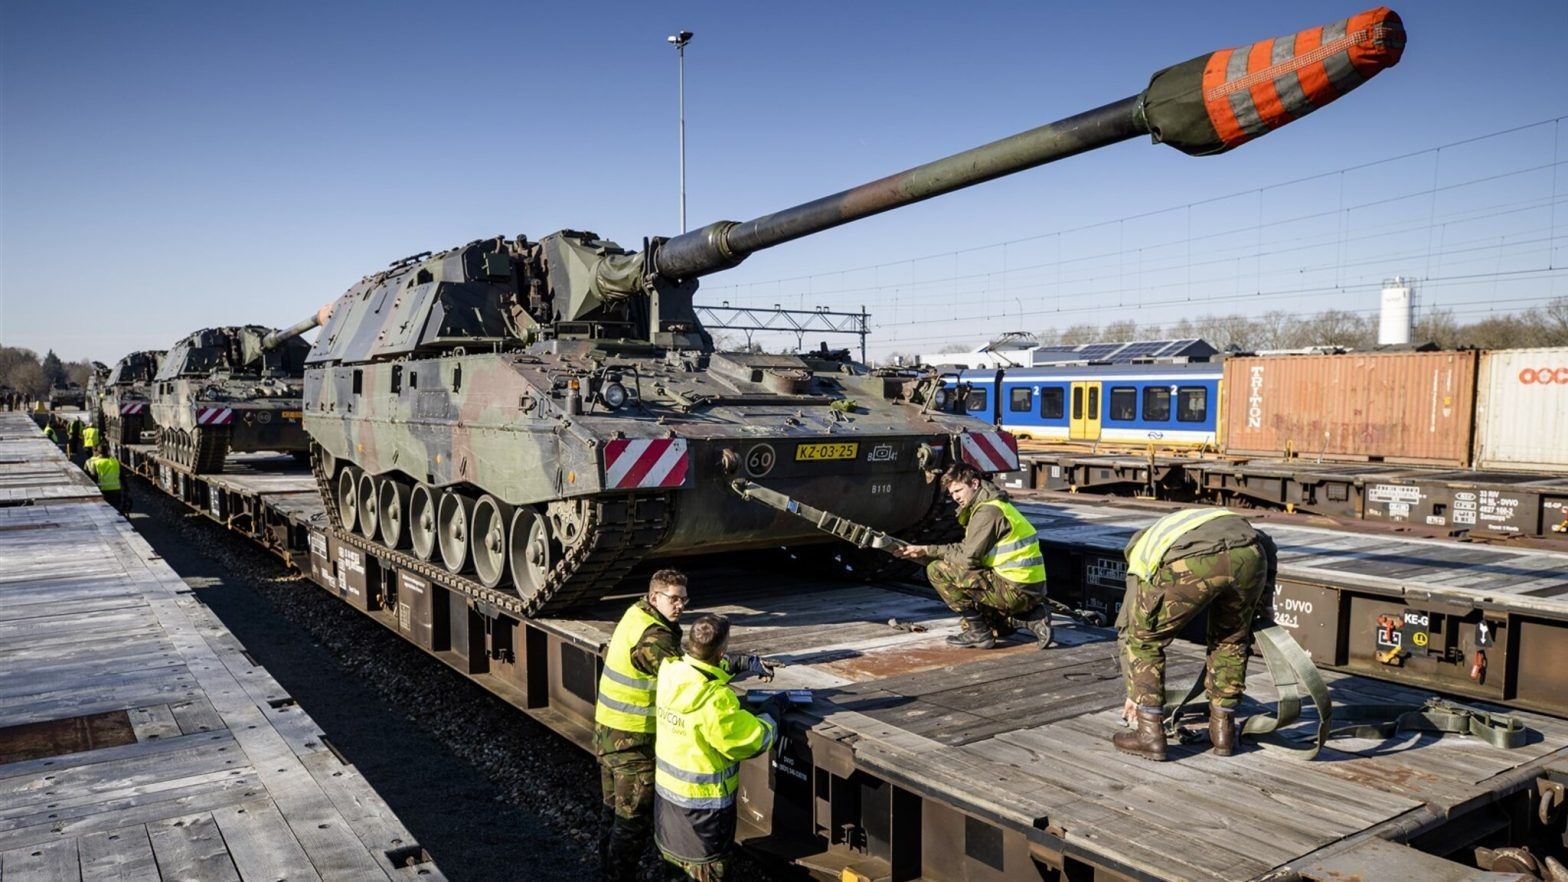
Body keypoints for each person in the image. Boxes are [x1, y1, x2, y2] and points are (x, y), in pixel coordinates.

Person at [1113, 507, 1277, 761]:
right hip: (1249, 555)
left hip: (1193, 562)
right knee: (1232, 639)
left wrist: (1136, 695)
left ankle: (1149, 736)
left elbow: (1129, 629)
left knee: (1145, 640)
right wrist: (1266, 603)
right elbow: (1265, 542)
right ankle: (1222, 731)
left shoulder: (1142, 557)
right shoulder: (1197, 521)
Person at [654, 614, 789, 882]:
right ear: (722, 651)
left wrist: (744, 663)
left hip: (668, 816)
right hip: (703, 824)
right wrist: (773, 710)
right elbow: (752, 740)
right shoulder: (715, 700)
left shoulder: (670, 672)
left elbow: (704, 665)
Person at [893, 461, 1052, 649]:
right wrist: (927, 549)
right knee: (972, 621)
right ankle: (1030, 618)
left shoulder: (987, 512)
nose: (955, 498)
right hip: (1029, 588)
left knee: (937, 570)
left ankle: (979, 634)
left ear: (974, 484)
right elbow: (967, 549)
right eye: (952, 494)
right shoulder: (995, 504)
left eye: (958, 491)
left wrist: (930, 552)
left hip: (1015, 589)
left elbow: (968, 558)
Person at [83, 443, 128, 515]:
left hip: (103, 490)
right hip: (116, 490)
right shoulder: (115, 461)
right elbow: (122, 476)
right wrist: (126, 488)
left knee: (105, 511)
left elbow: (94, 478)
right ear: (108, 451)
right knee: (116, 509)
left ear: (98, 452)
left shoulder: (96, 463)